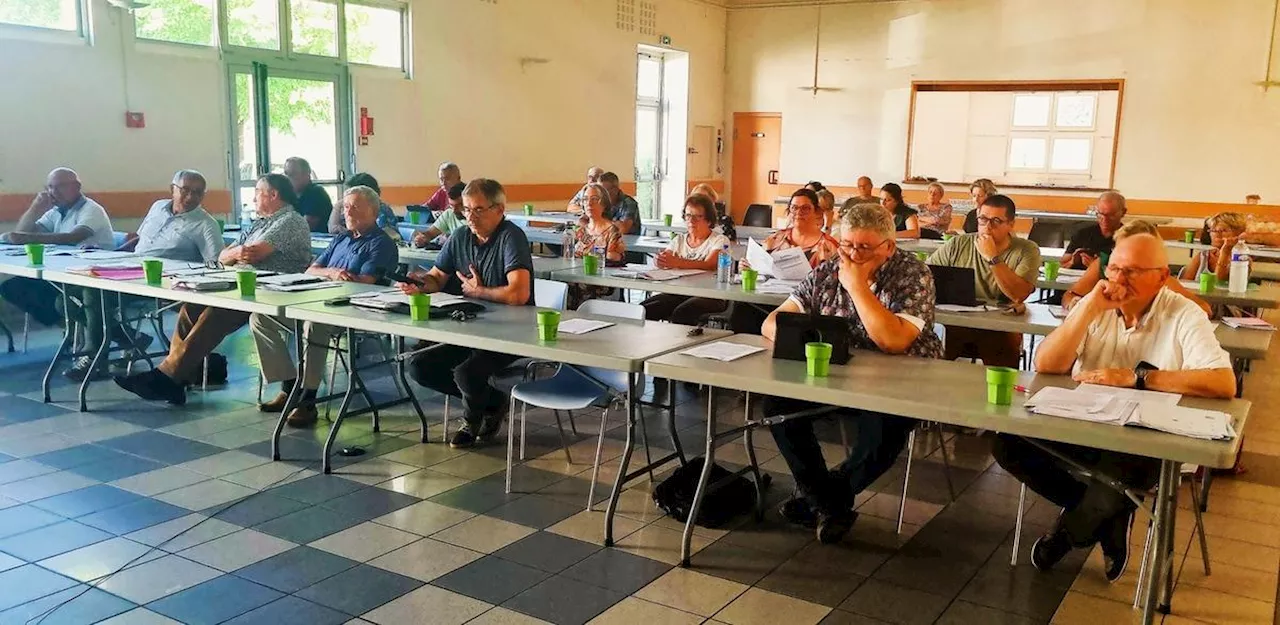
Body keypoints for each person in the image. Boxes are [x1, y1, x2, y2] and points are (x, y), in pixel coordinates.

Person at [995, 233, 1235, 582]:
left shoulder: (1183, 313)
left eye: (1133, 272)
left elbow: (1222, 382)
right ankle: (1111, 514)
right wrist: (1088, 308)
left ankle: (1070, 532)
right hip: (1085, 422)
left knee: (1118, 473)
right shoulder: (1096, 304)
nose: (1120, 280)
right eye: (1115, 269)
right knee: (1006, 443)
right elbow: (1046, 363)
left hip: (1147, 438)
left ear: (1163, 275)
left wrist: (1137, 378)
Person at [763, 203, 943, 543]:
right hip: (837, 375)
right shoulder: (828, 269)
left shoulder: (913, 274)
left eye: (864, 247)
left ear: (889, 246)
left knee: (885, 426)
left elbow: (892, 341)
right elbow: (773, 322)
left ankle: (820, 499)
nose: (853, 255)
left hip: (901, 379)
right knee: (777, 408)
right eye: (847, 245)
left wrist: (857, 287)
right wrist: (808, 345)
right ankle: (827, 502)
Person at [113, 173, 312, 405]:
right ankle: (176, 379)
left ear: (274, 194)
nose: (254, 196)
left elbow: (253, 253)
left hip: (271, 291)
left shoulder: (290, 220)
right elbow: (223, 257)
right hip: (242, 285)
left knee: (217, 313)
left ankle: (166, 377)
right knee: (192, 307)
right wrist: (235, 253)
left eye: (257, 191)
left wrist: (236, 254)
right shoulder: (260, 223)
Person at [400, 179, 534, 448]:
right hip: (469, 326)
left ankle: (471, 421)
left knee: (467, 372)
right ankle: (492, 401)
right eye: (466, 210)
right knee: (419, 365)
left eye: (478, 210)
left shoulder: (511, 237)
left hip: (511, 331)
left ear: (499, 209)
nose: (470, 217)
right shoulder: (460, 236)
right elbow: (437, 278)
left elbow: (518, 295)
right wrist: (420, 283)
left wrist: (479, 291)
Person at [252, 185, 399, 426]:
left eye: (356, 207)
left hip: (355, 310)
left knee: (315, 324)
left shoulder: (381, 243)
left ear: (373, 211)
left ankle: (308, 399)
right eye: (346, 207)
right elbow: (312, 269)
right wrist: (334, 272)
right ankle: (289, 386)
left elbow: (365, 282)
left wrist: (331, 275)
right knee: (261, 318)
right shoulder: (342, 238)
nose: (348, 213)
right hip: (321, 301)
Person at [61, 170, 222, 382]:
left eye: (197, 193)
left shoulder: (205, 224)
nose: (190, 197)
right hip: (129, 268)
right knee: (63, 298)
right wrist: (113, 255)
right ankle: (132, 339)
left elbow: (216, 264)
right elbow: (140, 241)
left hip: (160, 281)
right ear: (172, 189)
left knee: (94, 293)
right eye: (185, 190)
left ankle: (94, 358)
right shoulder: (157, 207)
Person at [927, 194, 1040, 367]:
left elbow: (1019, 294)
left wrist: (992, 257)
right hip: (958, 321)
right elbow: (925, 276)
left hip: (1001, 326)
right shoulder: (958, 244)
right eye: (983, 219)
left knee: (1002, 343)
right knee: (933, 345)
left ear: (1010, 224)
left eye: (996, 221)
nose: (987, 227)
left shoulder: (1027, 250)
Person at [0, 168, 114, 329]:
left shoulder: (91, 209)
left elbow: (73, 237)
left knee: (56, 299)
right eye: (50, 187)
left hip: (92, 274)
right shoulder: (56, 211)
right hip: (62, 271)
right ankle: (68, 326)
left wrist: (26, 238)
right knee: (11, 288)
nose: (53, 192)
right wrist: (35, 208)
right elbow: (23, 232)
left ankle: (93, 329)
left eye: (60, 186)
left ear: (76, 186)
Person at [733, 189, 839, 333]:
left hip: (801, 304)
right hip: (767, 298)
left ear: (817, 213)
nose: (798, 212)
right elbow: (757, 264)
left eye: (805, 208)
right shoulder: (776, 238)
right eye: (794, 208)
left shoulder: (828, 245)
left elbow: (836, 281)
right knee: (741, 310)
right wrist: (746, 266)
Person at [1065, 221, 1210, 316]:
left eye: (1133, 270)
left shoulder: (1157, 276)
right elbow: (1069, 295)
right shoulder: (1102, 263)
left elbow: (1204, 309)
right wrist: (1078, 305)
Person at [641, 194, 730, 325]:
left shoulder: (719, 240)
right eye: (688, 216)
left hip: (710, 295)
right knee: (643, 309)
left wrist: (678, 262)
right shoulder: (679, 240)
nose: (691, 221)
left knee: (682, 313)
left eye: (697, 216)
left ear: (709, 220)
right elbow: (667, 257)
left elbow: (710, 264)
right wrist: (660, 260)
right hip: (680, 292)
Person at [568, 183, 626, 307]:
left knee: (570, 288)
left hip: (601, 282)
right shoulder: (581, 230)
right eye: (585, 199)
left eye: (594, 199)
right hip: (577, 277)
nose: (589, 203)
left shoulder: (612, 230)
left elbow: (615, 258)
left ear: (604, 203)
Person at [1178, 212, 1249, 284]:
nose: (1216, 234)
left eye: (1223, 230)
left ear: (1239, 233)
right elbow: (1183, 284)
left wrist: (1225, 253)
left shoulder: (1243, 259)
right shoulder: (1203, 256)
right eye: (1213, 230)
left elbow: (1217, 284)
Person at [1062, 191, 1126, 270]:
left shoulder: (1128, 239)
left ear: (1123, 212)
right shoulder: (1083, 234)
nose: (1105, 220)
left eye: (1111, 215)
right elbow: (1062, 264)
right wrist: (1073, 261)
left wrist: (1097, 268)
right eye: (1100, 214)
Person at [328, 173, 398, 234]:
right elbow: (333, 228)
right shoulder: (345, 206)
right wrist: (338, 205)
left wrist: (349, 232)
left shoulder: (381, 209)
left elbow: (375, 233)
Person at [283, 157, 333, 233]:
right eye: (286, 174)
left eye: (293, 174)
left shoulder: (316, 193)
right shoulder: (289, 195)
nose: (288, 178)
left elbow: (306, 226)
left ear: (306, 174)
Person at [412, 183, 467, 248]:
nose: (454, 210)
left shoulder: (476, 218)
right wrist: (422, 238)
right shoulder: (449, 213)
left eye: (459, 206)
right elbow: (430, 233)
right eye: (451, 206)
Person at [599, 172, 641, 236]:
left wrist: (600, 223)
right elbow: (582, 221)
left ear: (615, 189)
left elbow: (624, 229)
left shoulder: (629, 203)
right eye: (599, 191)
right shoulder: (599, 202)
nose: (601, 194)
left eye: (604, 191)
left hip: (627, 243)